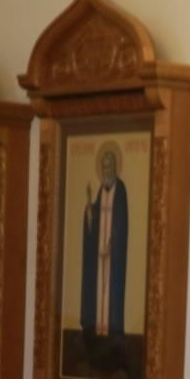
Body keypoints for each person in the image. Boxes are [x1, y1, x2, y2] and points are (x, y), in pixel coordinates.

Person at [82, 145, 128, 338]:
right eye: (103, 167)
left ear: (115, 167)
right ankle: (96, 327)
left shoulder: (121, 190)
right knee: (99, 289)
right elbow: (94, 220)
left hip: (113, 255)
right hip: (99, 253)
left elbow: (122, 222)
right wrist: (89, 209)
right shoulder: (101, 190)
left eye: (108, 166)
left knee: (111, 290)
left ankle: (112, 328)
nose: (106, 171)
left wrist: (112, 244)